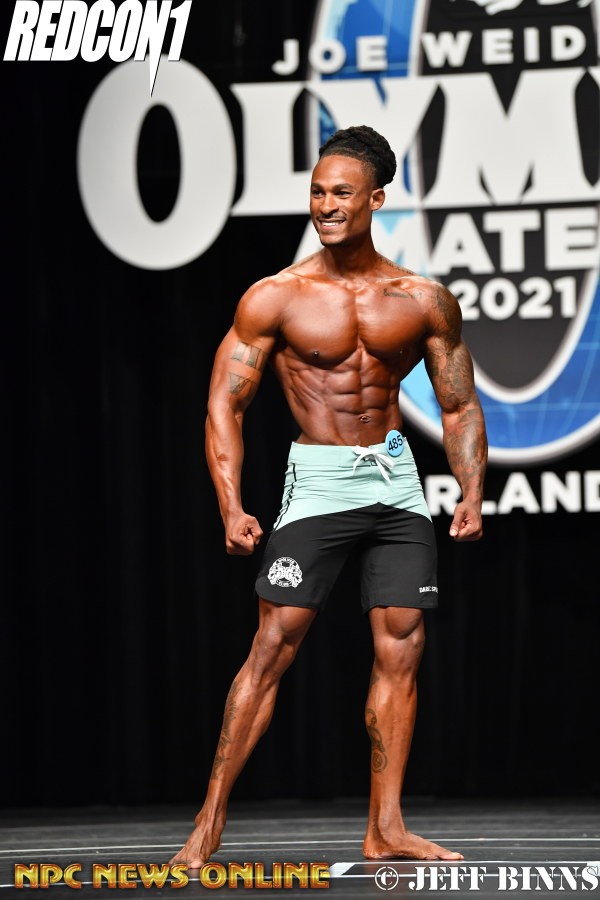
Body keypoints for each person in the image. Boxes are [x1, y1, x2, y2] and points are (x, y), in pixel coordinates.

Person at [171, 125, 487, 867]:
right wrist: (231, 505)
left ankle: (387, 829)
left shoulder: (423, 299)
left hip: (395, 480)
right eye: (317, 191)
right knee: (273, 644)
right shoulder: (277, 297)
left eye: (342, 192)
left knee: (403, 642)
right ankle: (209, 820)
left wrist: (472, 491)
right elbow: (224, 404)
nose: (325, 204)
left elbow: (459, 406)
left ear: (377, 199)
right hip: (318, 479)